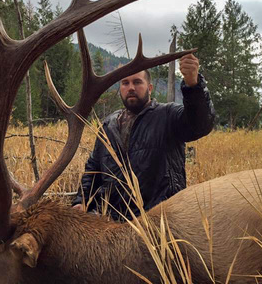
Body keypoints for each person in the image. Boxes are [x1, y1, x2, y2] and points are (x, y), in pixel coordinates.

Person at [72, 54, 215, 220]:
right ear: (120, 88)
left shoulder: (168, 116)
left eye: (137, 82)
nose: (131, 87)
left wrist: (193, 85)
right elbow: (93, 169)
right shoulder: (108, 126)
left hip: (161, 222)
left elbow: (200, 124)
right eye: (125, 83)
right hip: (117, 226)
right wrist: (81, 201)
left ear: (150, 88)